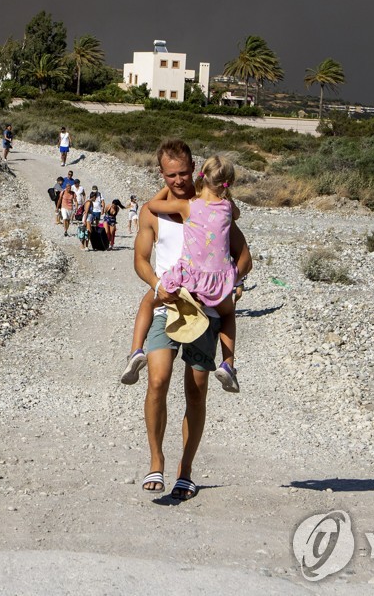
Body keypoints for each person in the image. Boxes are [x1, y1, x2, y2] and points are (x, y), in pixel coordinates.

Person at [126, 140, 251, 500]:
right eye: (171, 175)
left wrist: (230, 283)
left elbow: (244, 257)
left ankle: (186, 471)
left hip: (207, 313)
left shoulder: (213, 206)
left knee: (195, 394)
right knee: (157, 381)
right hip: (168, 304)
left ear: (194, 168)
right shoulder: (155, 212)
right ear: (161, 175)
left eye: (183, 173)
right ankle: (155, 459)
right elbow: (140, 259)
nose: (179, 180)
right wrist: (156, 285)